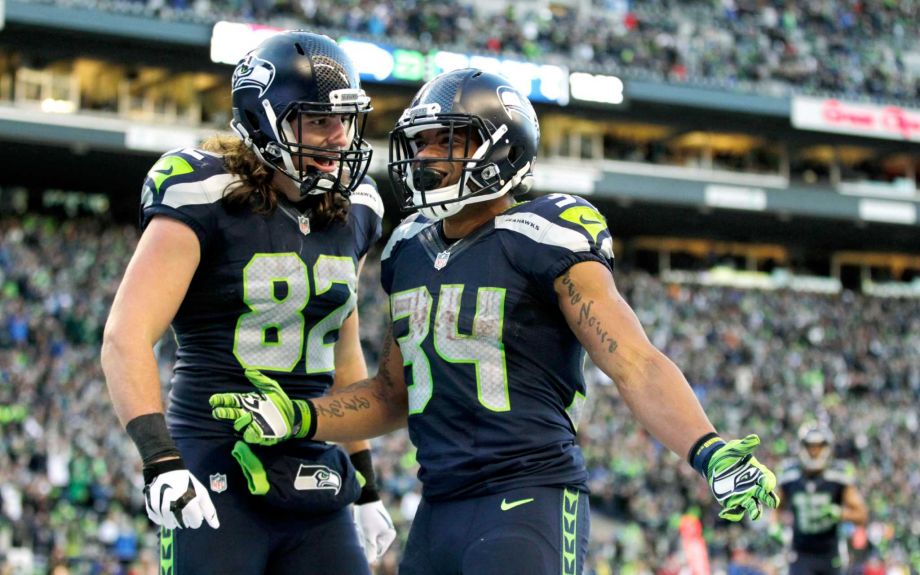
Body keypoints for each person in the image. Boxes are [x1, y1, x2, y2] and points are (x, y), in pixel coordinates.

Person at [209, 68, 779, 574]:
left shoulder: (543, 234)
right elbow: (391, 395)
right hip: (438, 510)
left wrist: (707, 448)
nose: (429, 155)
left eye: (448, 139)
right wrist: (296, 417)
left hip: (529, 495)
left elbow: (633, 362)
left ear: (500, 148)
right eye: (423, 140)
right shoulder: (407, 248)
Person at [101, 31, 395, 575]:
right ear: (262, 120)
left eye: (345, 119)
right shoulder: (202, 192)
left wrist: (366, 481)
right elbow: (126, 335)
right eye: (317, 120)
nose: (338, 137)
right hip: (215, 463)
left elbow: (342, 352)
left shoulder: (356, 209)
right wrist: (160, 462)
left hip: (314, 461)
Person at [776, 425, 868, 575]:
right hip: (801, 552)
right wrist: (776, 527)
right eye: (810, 446)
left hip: (830, 552)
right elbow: (775, 506)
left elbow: (862, 515)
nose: (814, 451)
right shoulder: (789, 474)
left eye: (819, 446)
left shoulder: (839, 475)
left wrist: (839, 513)